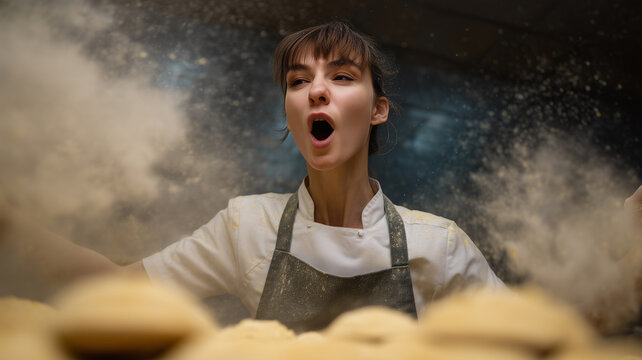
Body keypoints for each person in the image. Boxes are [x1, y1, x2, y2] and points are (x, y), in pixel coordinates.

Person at [2, 22, 641, 332]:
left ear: (378, 108)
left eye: (341, 76)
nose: (316, 92)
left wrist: (627, 271)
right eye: (297, 80)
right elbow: (118, 288)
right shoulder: (244, 225)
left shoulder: (437, 244)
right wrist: (13, 225)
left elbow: (537, 338)